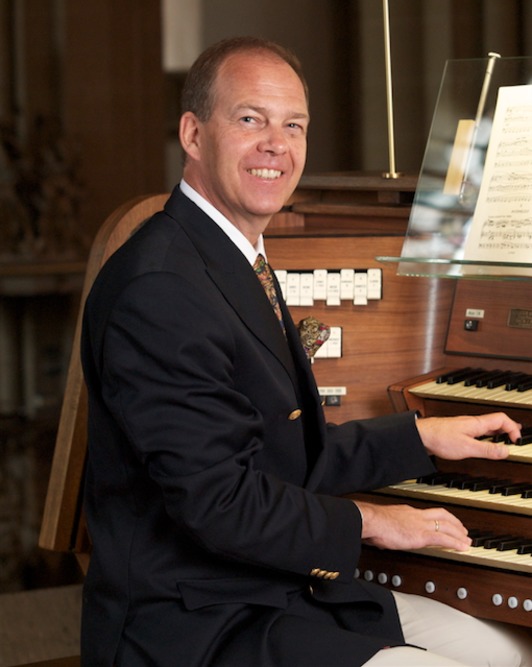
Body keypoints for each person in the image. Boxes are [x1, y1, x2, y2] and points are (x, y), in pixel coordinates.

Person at [80, 36, 531, 666]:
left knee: (511, 651)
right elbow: (219, 501)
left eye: (294, 125)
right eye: (249, 120)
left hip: (280, 591)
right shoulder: (161, 287)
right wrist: (374, 521)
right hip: (198, 624)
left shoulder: (231, 257)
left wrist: (424, 438)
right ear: (192, 133)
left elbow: (279, 453)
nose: (277, 145)